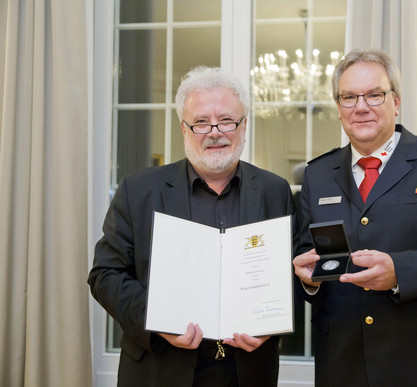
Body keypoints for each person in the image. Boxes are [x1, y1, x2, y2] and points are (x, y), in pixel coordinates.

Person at [293, 49, 417, 386]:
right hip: (343, 362)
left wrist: (399, 271)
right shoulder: (316, 174)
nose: (361, 106)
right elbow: (305, 253)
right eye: (348, 97)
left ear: (396, 102)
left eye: (374, 94)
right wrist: (308, 279)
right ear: (339, 106)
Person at [88, 66, 297, 387]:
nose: (215, 131)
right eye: (200, 122)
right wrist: (159, 322)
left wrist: (271, 325)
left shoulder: (274, 190)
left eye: (227, 120)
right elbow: (105, 275)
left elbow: (291, 276)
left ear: (244, 126)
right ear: (184, 129)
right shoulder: (139, 190)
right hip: (160, 369)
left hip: (247, 372)